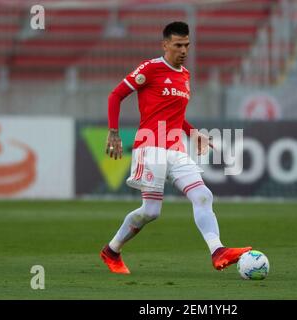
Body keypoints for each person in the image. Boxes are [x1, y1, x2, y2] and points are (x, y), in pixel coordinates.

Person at [100, 21, 251, 274]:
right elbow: (115, 95)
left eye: (187, 45)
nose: (183, 50)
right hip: (150, 147)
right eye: (178, 45)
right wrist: (113, 132)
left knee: (203, 195)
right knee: (151, 212)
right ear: (166, 45)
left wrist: (193, 134)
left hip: (176, 149)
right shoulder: (150, 68)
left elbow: (174, 114)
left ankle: (218, 251)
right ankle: (111, 251)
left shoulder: (185, 75)